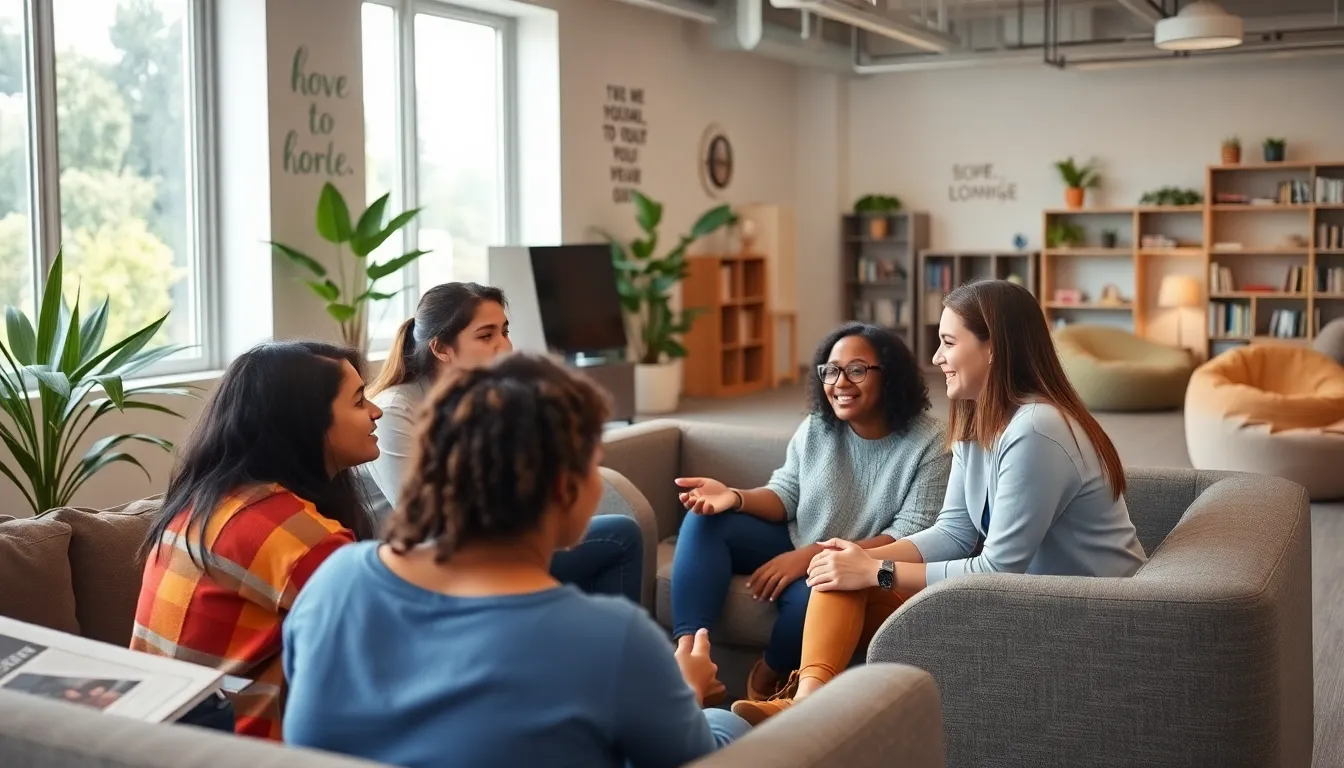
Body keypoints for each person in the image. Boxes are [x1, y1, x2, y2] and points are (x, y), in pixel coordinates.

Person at [282, 353, 750, 768]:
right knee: (726, 726)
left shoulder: (335, 578)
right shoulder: (614, 636)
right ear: (565, 489)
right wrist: (683, 691)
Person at [731, 279, 1148, 725]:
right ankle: (805, 703)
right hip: (1023, 603)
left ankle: (805, 710)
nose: (936, 358)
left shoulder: (1036, 429)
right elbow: (953, 531)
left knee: (860, 573)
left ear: (994, 349)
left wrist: (877, 569)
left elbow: (998, 570)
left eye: (948, 342)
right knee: (842, 571)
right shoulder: (978, 415)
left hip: (1087, 615)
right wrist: (855, 557)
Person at [671, 323, 951, 703]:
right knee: (705, 518)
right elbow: (785, 494)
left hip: (857, 561)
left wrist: (809, 557)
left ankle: (768, 675)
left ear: (890, 375)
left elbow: (910, 536)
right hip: (796, 533)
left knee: (819, 597)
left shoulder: (932, 442)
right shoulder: (818, 426)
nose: (840, 382)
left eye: (856, 370)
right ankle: (688, 659)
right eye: (831, 370)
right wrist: (734, 497)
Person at [132, 341, 381, 740]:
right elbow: (394, 647)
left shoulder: (208, 503)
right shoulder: (297, 541)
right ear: (306, 423)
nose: (376, 411)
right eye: (358, 401)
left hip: (158, 742)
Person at [366, 283, 643, 605]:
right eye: (486, 336)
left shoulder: (483, 399)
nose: (505, 347)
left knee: (609, 533)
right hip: (428, 563)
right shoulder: (394, 410)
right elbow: (425, 520)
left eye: (504, 331)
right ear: (441, 348)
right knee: (618, 538)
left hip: (483, 545)